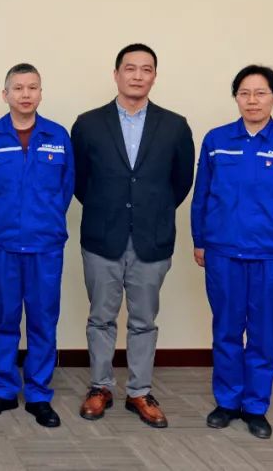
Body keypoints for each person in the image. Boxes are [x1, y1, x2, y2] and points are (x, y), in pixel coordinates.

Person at [191, 65, 273, 439]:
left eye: (260, 93)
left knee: (263, 334)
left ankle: (256, 406)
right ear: (236, 97)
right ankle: (228, 401)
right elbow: (201, 196)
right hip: (223, 253)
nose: (252, 100)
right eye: (244, 93)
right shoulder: (217, 140)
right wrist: (200, 240)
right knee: (226, 330)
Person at [70, 43, 194, 428]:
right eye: (130, 68)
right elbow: (79, 181)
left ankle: (139, 391)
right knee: (100, 318)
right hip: (102, 237)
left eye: (146, 69)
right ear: (116, 74)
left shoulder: (175, 125)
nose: (137, 75)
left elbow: (180, 182)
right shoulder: (88, 124)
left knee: (144, 320)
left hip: (151, 239)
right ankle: (100, 387)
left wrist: (148, 211)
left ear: (154, 76)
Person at [0, 63, 74, 428]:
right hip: (2, 245)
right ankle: (3, 389)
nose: (25, 94)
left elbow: (66, 189)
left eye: (32, 87)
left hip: (45, 246)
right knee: (4, 319)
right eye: (18, 88)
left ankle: (38, 394)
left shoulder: (58, 136)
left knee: (44, 321)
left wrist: (45, 221)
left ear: (41, 93)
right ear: (5, 95)